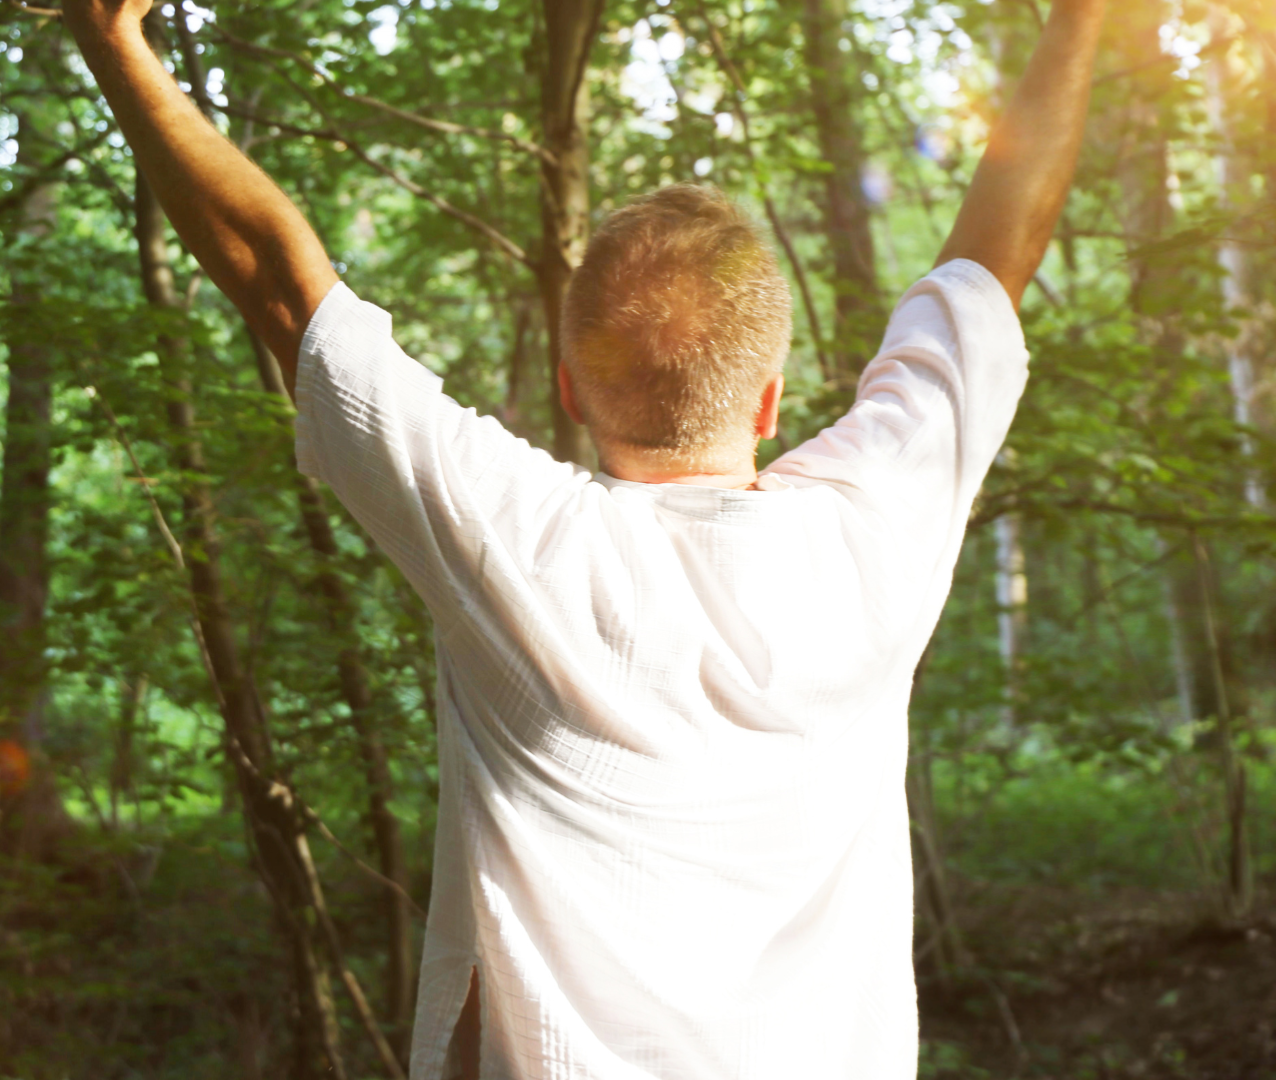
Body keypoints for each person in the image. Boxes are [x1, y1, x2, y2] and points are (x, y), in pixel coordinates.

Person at [67, 0, 1106, 1075]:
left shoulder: (522, 543)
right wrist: (1078, 26)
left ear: (570, 392)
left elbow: (287, 292)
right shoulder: (874, 527)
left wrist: (112, 40)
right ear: (767, 401)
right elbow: (989, 269)